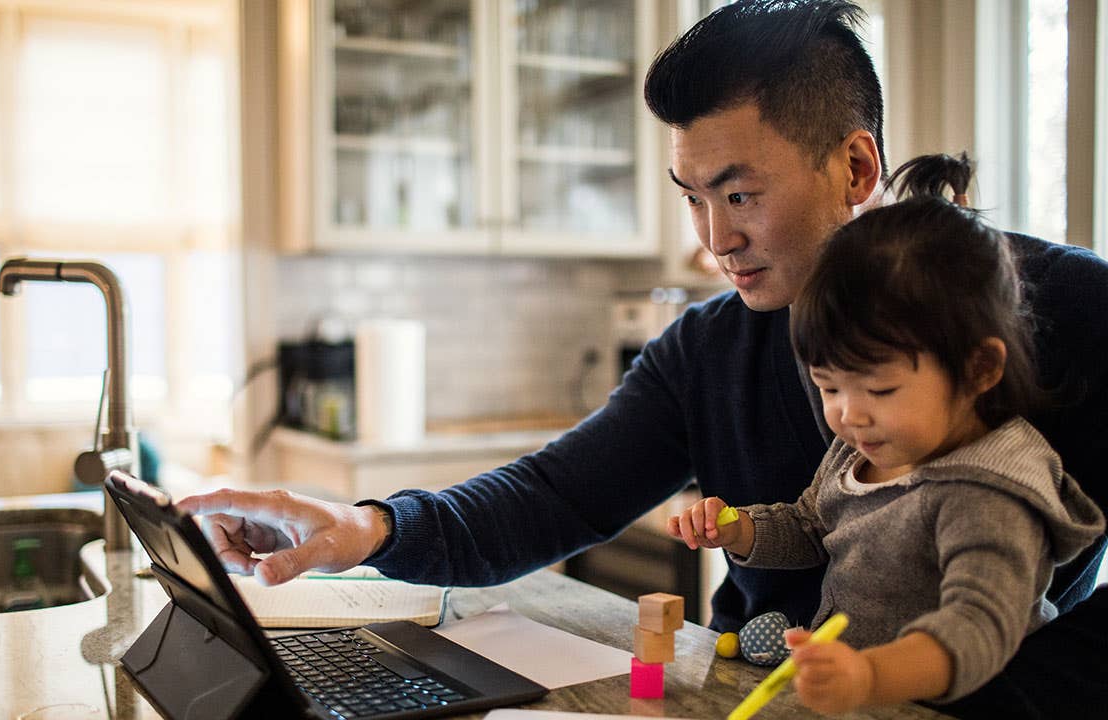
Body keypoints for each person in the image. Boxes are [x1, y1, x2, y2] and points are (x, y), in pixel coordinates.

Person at [179, 1, 1108, 715]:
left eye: (740, 194)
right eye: (692, 196)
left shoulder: (1063, 305)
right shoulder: (707, 347)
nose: (715, 240)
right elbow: (555, 496)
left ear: (856, 169)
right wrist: (370, 528)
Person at [670, 153, 1105, 714]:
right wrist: (741, 531)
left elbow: (978, 628)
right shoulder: (863, 447)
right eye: (830, 388)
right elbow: (811, 525)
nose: (850, 414)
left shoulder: (990, 490)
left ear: (978, 370)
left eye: (879, 391)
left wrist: (871, 674)